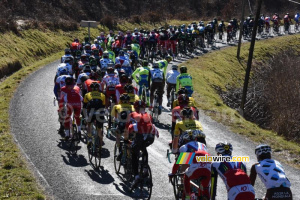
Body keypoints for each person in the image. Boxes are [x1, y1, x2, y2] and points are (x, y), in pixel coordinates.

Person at [124, 100, 159, 188]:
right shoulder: (149, 115)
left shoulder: (132, 114)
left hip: (140, 135)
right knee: (143, 148)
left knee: (134, 154)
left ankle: (136, 176)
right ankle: (145, 169)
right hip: (151, 136)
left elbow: (128, 128)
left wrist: (126, 140)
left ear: (135, 108)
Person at [169, 130, 210, 200]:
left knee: (185, 176)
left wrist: (172, 173)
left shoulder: (185, 147)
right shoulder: (203, 145)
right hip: (207, 164)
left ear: (184, 140)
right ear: (196, 138)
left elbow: (177, 164)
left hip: (194, 164)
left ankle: (187, 195)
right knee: (205, 187)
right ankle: (205, 195)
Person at [111, 93, 135, 159]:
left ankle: (119, 149)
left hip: (121, 125)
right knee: (130, 138)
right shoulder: (133, 107)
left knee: (118, 135)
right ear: (129, 100)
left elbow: (113, 117)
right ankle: (129, 153)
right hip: (130, 125)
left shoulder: (116, 106)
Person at [59, 76, 83, 140]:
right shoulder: (77, 87)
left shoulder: (63, 88)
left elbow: (61, 99)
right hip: (78, 104)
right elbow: (81, 98)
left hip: (69, 105)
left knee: (67, 119)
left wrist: (60, 108)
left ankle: (67, 135)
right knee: (77, 117)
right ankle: (79, 131)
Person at [83, 82, 106, 147]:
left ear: (91, 88)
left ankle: (89, 138)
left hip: (91, 112)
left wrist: (85, 116)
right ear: (98, 88)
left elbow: (84, 106)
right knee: (99, 129)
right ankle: (100, 144)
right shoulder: (102, 95)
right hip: (100, 113)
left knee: (89, 124)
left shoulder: (87, 94)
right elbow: (103, 105)